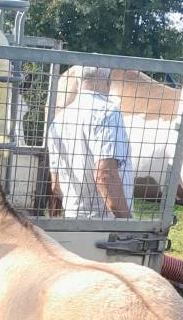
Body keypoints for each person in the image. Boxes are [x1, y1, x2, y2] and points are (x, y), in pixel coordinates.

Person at [46, 66, 134, 219]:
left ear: (78, 84)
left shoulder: (58, 120)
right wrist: (126, 222)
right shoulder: (108, 113)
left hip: (73, 218)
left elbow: (56, 185)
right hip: (106, 222)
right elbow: (105, 175)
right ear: (108, 83)